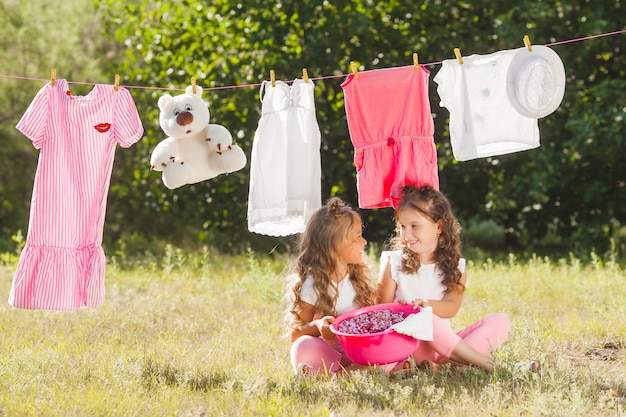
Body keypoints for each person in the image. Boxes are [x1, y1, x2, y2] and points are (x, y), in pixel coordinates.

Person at [376, 184, 513, 373]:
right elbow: (378, 313)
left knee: (500, 321)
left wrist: (426, 305)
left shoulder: (456, 266)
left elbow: (451, 307)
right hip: (405, 347)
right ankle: (489, 366)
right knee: (425, 318)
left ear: (438, 226)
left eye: (414, 226)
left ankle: (441, 367)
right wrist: (402, 310)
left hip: (442, 346)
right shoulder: (394, 262)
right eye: (402, 227)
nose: (406, 234)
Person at [285, 197, 380, 376]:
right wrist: (318, 325)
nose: (364, 242)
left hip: (360, 353)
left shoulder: (356, 277)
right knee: (303, 346)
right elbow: (295, 335)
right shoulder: (313, 284)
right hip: (332, 354)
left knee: (383, 351)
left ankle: (335, 376)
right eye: (358, 236)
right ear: (335, 244)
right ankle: (349, 373)